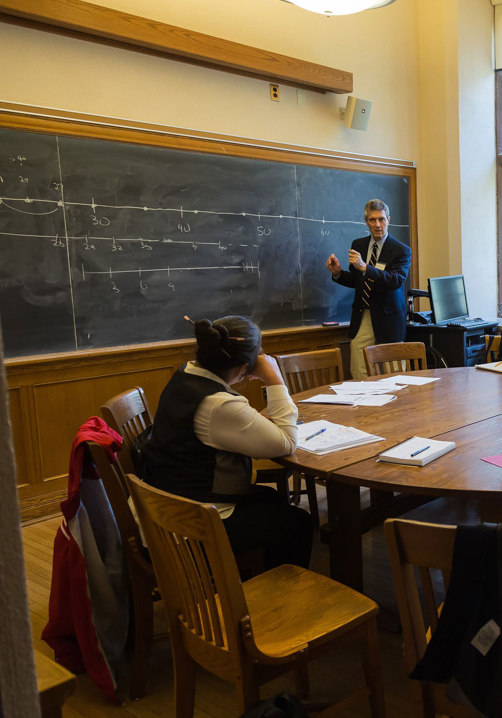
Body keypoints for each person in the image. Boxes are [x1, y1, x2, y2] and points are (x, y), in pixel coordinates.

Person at [142, 316, 313, 570]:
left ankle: (257, 575)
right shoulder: (219, 404)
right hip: (188, 523)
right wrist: (275, 379)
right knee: (298, 522)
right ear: (244, 366)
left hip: (163, 503)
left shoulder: (186, 373)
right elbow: (287, 443)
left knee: (270, 499)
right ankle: (276, 600)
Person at [327, 199, 411, 378]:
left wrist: (365, 267)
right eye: (372, 220)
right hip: (363, 314)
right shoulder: (358, 245)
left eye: (381, 219)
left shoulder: (401, 250)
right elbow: (357, 280)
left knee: (393, 375)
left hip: (388, 319)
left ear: (388, 219)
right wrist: (337, 273)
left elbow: (396, 280)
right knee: (359, 369)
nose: (377, 225)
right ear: (366, 222)